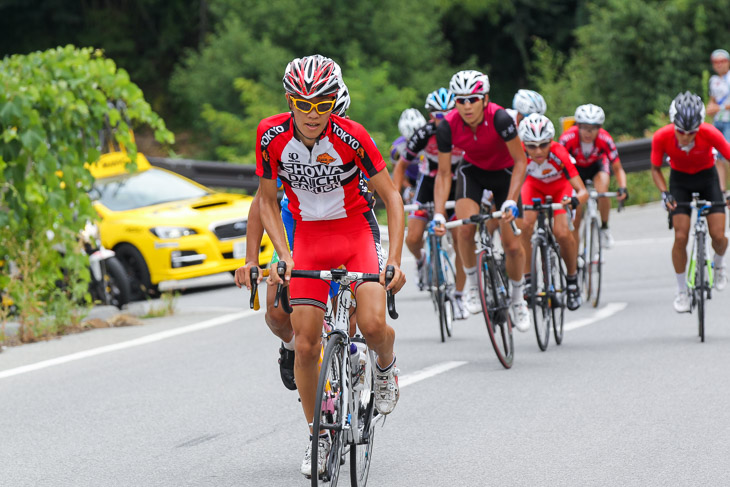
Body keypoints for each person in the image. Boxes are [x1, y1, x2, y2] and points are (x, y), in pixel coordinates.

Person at [255, 55, 405, 477]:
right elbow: (266, 201)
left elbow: (392, 197)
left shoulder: (352, 136)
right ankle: (318, 436)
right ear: (290, 101)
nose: (311, 115)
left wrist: (394, 261)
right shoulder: (270, 135)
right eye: (302, 104)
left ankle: (386, 367)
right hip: (308, 238)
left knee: (373, 324)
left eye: (321, 104)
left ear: (333, 101)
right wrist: (283, 257)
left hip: (355, 231)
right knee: (305, 344)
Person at [234, 78, 353, 393]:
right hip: (294, 222)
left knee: (354, 309)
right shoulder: (284, 142)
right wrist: (249, 259)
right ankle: (290, 348)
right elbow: (263, 202)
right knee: (275, 310)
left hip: (339, 225)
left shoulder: (348, 143)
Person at [432, 69, 531, 332]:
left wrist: (510, 201)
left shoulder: (500, 119)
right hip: (472, 172)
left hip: (506, 173)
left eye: (472, 99)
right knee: (464, 230)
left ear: (485, 99)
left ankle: (518, 298)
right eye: (460, 100)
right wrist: (439, 214)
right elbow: (444, 174)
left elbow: (521, 161)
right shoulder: (446, 126)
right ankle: (473, 287)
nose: (466, 106)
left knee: (511, 245)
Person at [650, 91, 730, 312]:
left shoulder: (710, 133)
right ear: (673, 125)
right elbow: (656, 169)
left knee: (719, 236)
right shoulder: (662, 136)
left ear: (699, 127)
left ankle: (720, 265)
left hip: (707, 178)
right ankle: (681, 291)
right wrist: (665, 193)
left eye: (691, 133)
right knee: (681, 235)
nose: (685, 137)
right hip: (680, 182)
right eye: (681, 132)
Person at [392, 88, 468, 318]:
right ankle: (422, 259)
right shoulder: (424, 133)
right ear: (429, 116)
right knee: (413, 237)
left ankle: (459, 295)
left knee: (461, 241)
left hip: (459, 181)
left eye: (448, 114)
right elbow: (401, 166)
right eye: (437, 115)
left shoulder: (464, 131)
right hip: (429, 182)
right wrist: (395, 197)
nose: (442, 120)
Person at [517, 114, 589, 311]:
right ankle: (529, 280)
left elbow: (583, 192)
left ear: (551, 141)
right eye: (532, 146)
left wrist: (574, 200)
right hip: (534, 187)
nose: (538, 151)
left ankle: (572, 282)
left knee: (562, 232)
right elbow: (510, 184)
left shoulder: (559, 153)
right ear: (524, 144)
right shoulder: (520, 154)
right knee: (524, 224)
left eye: (543, 145)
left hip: (560, 189)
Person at [559, 104, 628, 249]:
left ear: (600, 128)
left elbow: (617, 167)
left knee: (602, 190)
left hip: (597, 167)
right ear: (577, 126)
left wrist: (623, 187)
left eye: (594, 127)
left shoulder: (605, 138)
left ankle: (604, 227)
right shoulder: (567, 138)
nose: (588, 132)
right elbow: (560, 166)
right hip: (575, 170)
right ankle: (575, 255)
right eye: (584, 127)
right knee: (576, 215)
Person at [390, 108, 427, 203]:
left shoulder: (430, 141)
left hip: (428, 176)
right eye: (410, 140)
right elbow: (397, 172)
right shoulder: (396, 148)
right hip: (410, 180)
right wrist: (408, 187)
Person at [707, 48, 730, 190]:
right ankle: (721, 189)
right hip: (718, 122)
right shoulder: (713, 80)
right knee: (718, 157)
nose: (719, 64)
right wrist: (709, 108)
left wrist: (720, 108)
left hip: (729, 121)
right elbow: (712, 101)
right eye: (716, 62)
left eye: (722, 61)